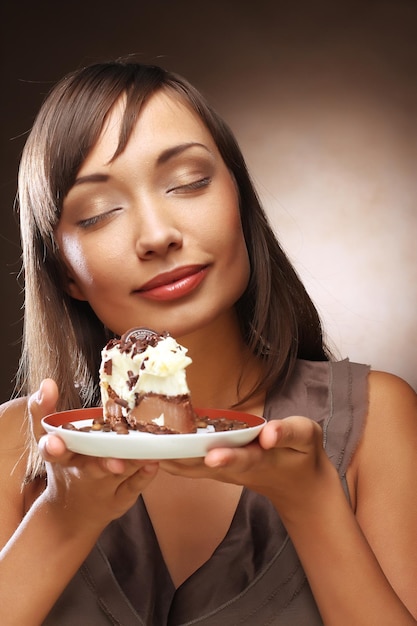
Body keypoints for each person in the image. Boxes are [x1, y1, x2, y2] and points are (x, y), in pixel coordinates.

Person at [0, 60, 416, 626]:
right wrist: (62, 519)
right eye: (98, 214)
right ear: (64, 271)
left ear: (240, 199)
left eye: (189, 182)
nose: (157, 235)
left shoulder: (377, 419)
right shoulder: (13, 447)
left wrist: (313, 502)